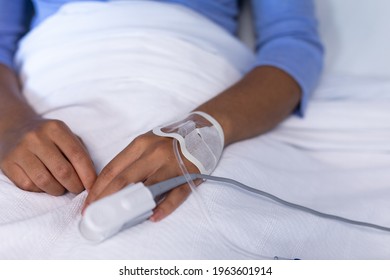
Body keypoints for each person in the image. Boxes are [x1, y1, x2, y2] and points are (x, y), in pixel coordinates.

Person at [0, 0, 323, 222]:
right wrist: (10, 123)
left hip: (201, 79)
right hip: (50, 79)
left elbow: (293, 44)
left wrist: (200, 130)